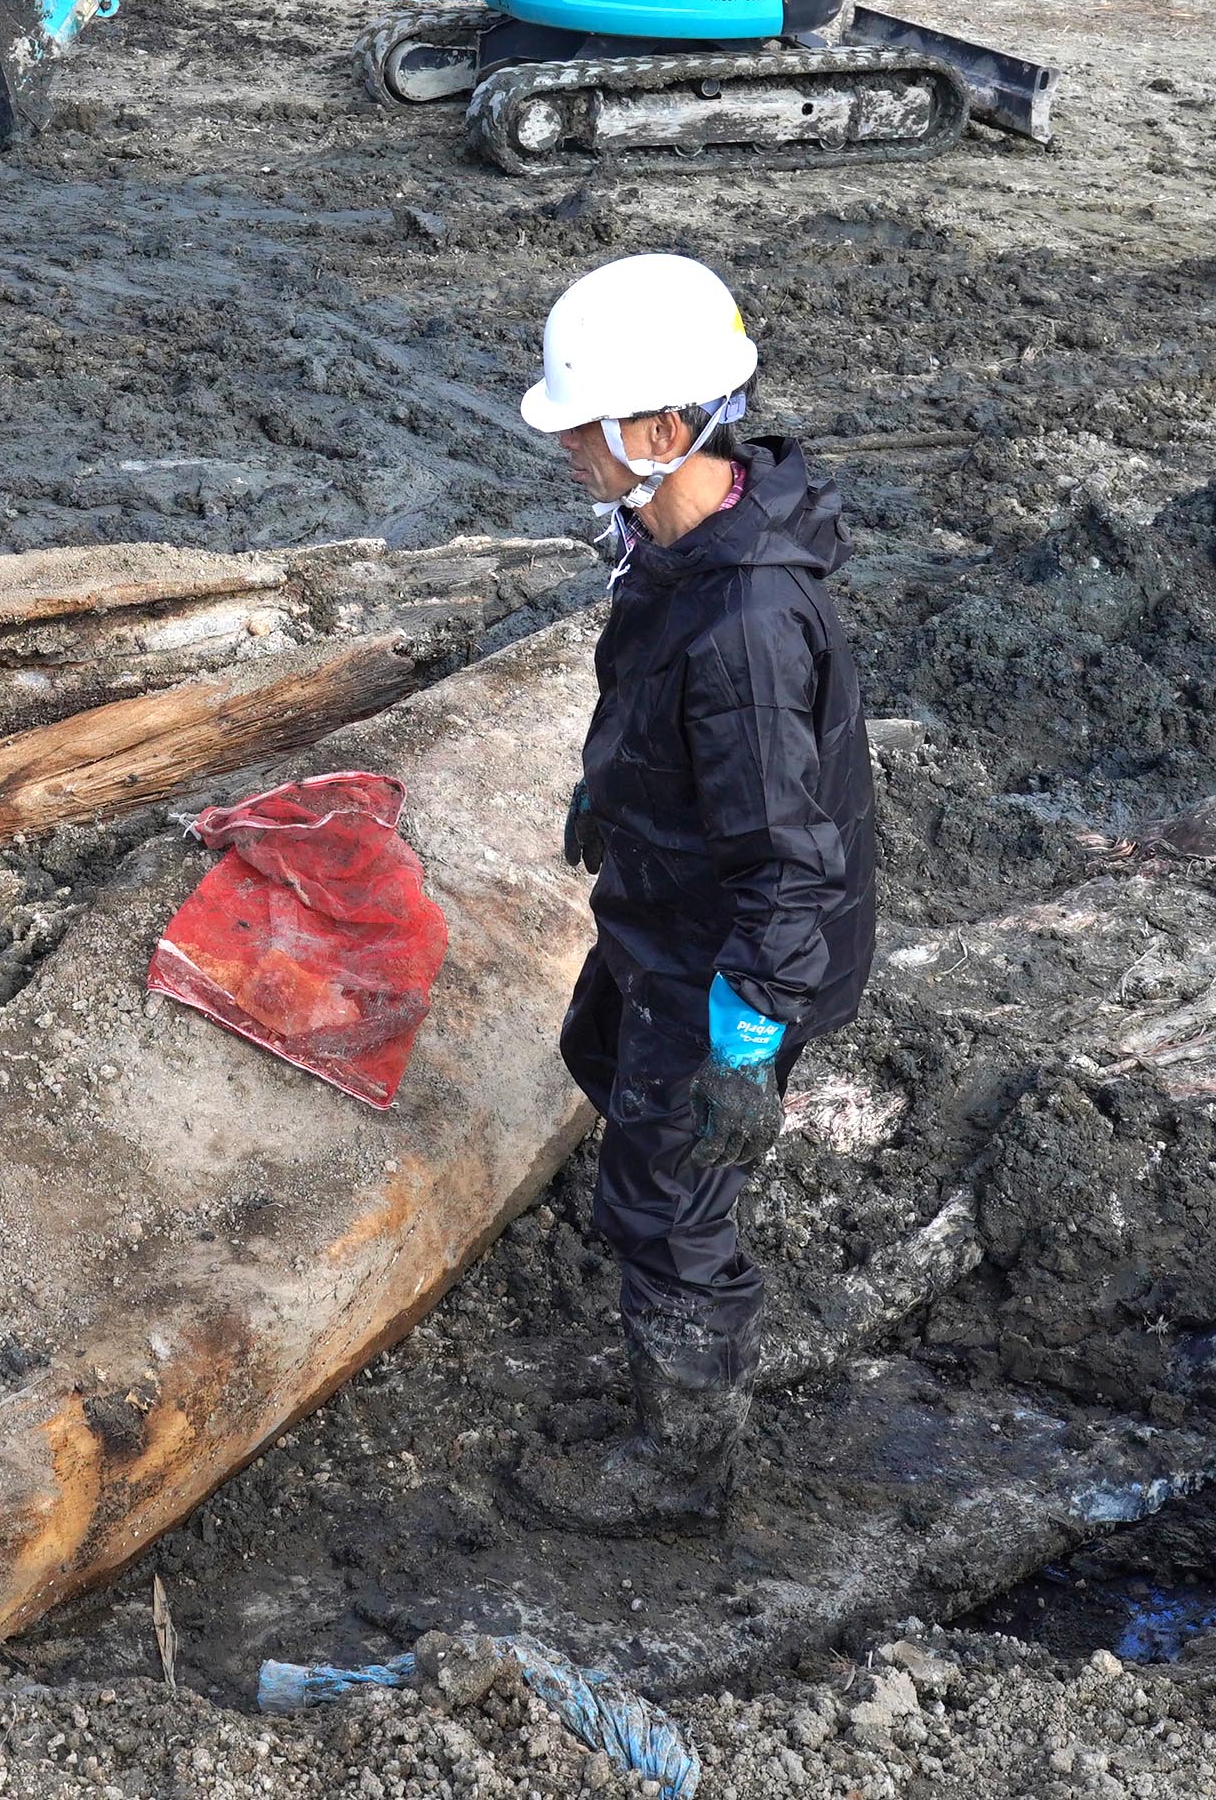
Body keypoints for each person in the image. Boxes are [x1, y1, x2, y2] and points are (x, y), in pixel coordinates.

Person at [506, 252, 877, 1538]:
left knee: (670, 1195)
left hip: (734, 959)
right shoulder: (679, 544)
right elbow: (676, 723)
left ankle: (681, 1474)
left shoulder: (745, 625)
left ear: (661, 430)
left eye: (583, 425)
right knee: (598, 1053)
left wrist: (746, 1039)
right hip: (668, 903)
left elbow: (790, 854)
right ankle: (671, 1295)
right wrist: (610, 795)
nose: (568, 447)